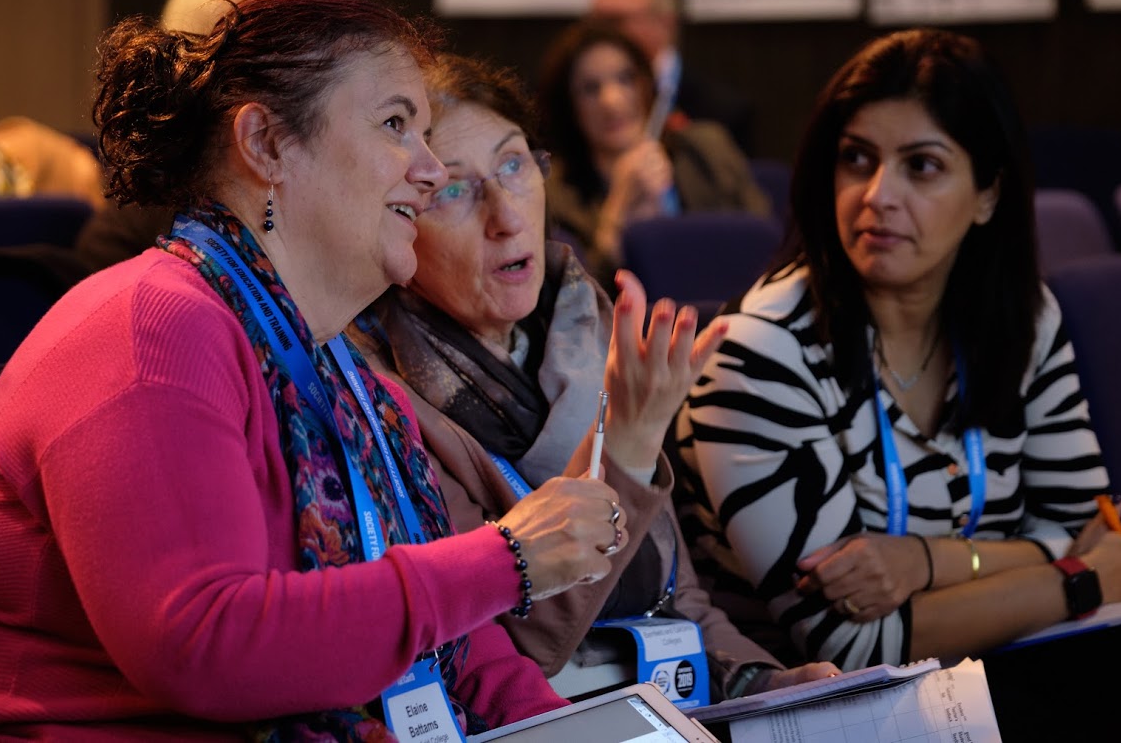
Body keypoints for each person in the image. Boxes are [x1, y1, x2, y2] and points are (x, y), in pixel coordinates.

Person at [0, 0, 632, 740]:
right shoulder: (151, 327)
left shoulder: (338, 364)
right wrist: (505, 559)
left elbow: (455, 646)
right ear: (267, 146)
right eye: (395, 126)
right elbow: (204, 645)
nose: (430, 167)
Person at [346, 52, 838, 703]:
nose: (507, 215)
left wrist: (758, 679)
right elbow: (519, 643)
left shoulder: (583, 318)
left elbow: (674, 587)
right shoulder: (381, 395)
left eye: (515, 164)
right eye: (455, 190)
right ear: (399, 217)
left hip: (664, 694)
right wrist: (625, 447)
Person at [672, 27, 1121, 671]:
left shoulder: (1023, 316)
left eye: (921, 166)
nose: (877, 196)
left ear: (987, 195)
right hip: (815, 706)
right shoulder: (758, 353)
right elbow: (854, 643)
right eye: (857, 159)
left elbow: (1089, 528)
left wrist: (924, 561)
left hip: (1021, 667)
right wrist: (1079, 581)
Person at [74, 0, 286, 274]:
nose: (287, 70)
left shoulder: (300, 190)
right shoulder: (124, 242)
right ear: (195, 68)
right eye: (264, 51)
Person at [537, 19, 772, 290]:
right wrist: (617, 212)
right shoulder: (555, 195)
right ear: (568, 107)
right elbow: (577, 303)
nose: (612, 101)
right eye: (590, 88)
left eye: (625, 78)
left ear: (647, 84)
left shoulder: (708, 148)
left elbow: (765, 247)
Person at [588, 0, 756, 158]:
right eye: (595, 21)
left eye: (615, 21)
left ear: (665, 23)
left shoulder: (721, 115)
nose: (601, 34)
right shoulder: (571, 103)